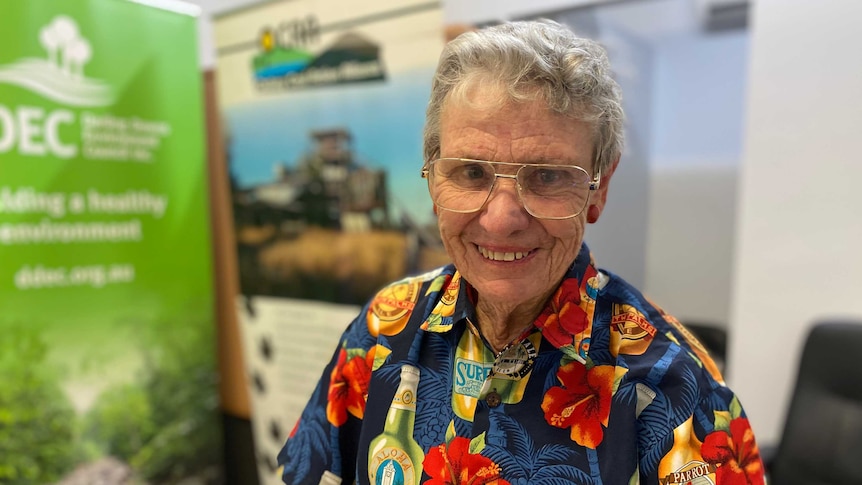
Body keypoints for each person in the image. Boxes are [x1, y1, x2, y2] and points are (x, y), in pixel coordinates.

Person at [278, 19, 765, 485]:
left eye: (548, 176)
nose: (501, 219)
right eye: (471, 173)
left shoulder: (674, 390)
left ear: (599, 188)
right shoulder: (382, 330)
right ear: (431, 177)